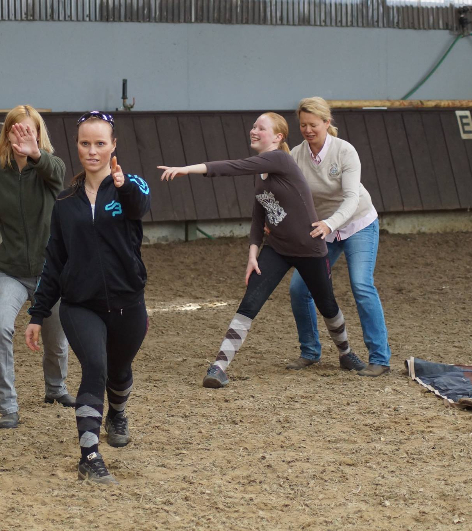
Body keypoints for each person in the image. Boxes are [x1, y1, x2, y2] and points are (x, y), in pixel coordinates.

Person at [159, 112, 367, 389]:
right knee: (249, 303)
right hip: (277, 249)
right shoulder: (261, 172)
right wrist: (252, 253)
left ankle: (345, 353)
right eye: (254, 126)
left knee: (327, 304)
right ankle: (219, 367)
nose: (254, 131)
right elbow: (259, 215)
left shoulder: (281, 159)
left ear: (278, 137)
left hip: (309, 248)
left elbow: (234, 166)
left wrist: (187, 169)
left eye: (261, 128)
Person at [25, 111, 151, 485]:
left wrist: (122, 185)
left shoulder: (131, 185)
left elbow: (139, 206)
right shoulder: (65, 202)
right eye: (85, 143)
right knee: (95, 368)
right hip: (80, 304)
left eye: (99, 143)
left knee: (119, 370)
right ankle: (90, 456)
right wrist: (37, 313)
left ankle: (117, 413)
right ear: (77, 147)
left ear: (113, 146)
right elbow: (55, 261)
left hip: (128, 303)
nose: (92, 151)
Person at [0, 105, 73, 430]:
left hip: (51, 273)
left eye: (29, 131)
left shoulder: (51, 170)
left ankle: (56, 388)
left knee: (56, 342)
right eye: (17, 130)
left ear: (38, 135)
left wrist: (36, 154)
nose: (22, 136)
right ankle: (8, 407)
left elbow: (57, 173)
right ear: (7, 135)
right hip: (10, 272)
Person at [284, 97, 392, 377]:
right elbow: (289, 193)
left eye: (313, 125)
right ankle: (310, 351)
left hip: (357, 223)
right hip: (324, 229)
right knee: (299, 289)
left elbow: (352, 198)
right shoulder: (296, 155)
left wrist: (329, 224)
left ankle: (380, 358)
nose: (308, 130)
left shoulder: (345, 151)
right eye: (303, 125)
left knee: (361, 284)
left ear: (326, 122)